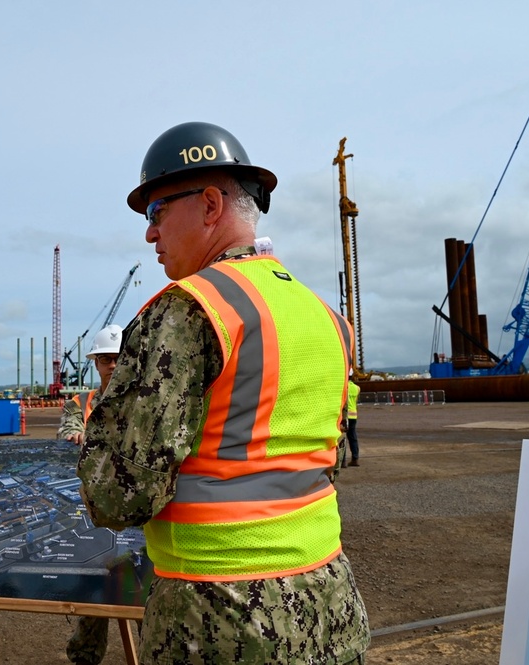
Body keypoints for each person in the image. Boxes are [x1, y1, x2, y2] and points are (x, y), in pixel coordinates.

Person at [77, 122, 370, 664]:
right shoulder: (325, 316)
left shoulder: (189, 308)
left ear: (210, 204)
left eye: (156, 212)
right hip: (330, 599)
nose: (149, 234)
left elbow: (120, 494)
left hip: (221, 610)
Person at [57, 325, 123, 665]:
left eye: (118, 359)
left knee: (138, 583)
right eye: (106, 359)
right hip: (91, 506)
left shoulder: (144, 402)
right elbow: (71, 430)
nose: (112, 365)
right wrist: (77, 436)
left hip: (133, 506)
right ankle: (85, 653)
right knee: (94, 579)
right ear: (95, 363)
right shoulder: (79, 402)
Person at [346, 374, 361, 466]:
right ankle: (355, 458)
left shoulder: (343, 387)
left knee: (341, 439)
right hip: (353, 415)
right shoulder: (357, 388)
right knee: (353, 437)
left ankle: (342, 461)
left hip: (344, 415)